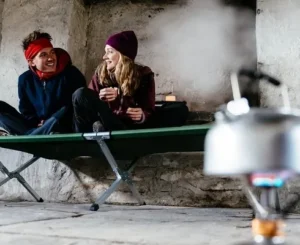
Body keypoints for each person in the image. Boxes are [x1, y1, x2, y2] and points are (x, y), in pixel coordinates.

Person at [0, 30, 86, 136]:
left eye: (52, 52)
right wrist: (37, 123)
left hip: (63, 125)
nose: (51, 58)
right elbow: (26, 111)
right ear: (32, 62)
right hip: (36, 127)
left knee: (65, 109)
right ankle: (34, 134)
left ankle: (31, 136)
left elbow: (77, 108)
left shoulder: (70, 74)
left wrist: (48, 122)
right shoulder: (25, 79)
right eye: (43, 55)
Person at [72, 30, 156, 132]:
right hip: (103, 122)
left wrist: (141, 115)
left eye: (110, 52)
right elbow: (87, 106)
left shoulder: (143, 74)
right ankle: (82, 141)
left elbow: (148, 109)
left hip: (125, 127)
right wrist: (99, 98)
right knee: (80, 94)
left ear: (123, 55)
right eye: (105, 51)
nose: (104, 57)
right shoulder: (101, 73)